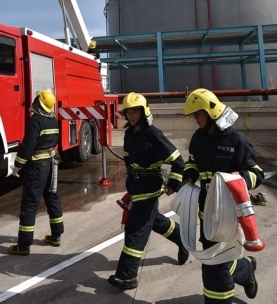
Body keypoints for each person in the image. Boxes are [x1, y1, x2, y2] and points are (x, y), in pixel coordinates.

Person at [182, 88, 263, 303]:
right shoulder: (198, 139)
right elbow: (192, 161)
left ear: (210, 113)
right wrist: (189, 174)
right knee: (216, 259)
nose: (195, 120)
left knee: (214, 269)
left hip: (229, 215)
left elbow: (257, 174)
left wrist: (240, 177)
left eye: (197, 115)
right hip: (206, 213)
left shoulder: (236, 141)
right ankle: (245, 268)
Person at [107, 92, 188, 290]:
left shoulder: (153, 134)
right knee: (154, 221)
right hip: (136, 187)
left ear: (144, 112)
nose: (132, 115)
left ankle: (127, 277)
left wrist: (173, 184)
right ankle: (181, 237)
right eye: (129, 112)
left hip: (150, 188)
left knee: (135, 231)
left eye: (135, 111)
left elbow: (178, 162)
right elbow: (127, 157)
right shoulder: (129, 133)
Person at [8, 88, 64, 256]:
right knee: (52, 197)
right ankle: (56, 235)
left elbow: (28, 146)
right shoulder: (53, 120)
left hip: (37, 167)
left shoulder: (36, 121)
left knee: (30, 203)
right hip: (51, 165)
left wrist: (18, 165)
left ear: (38, 103)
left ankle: (24, 245)